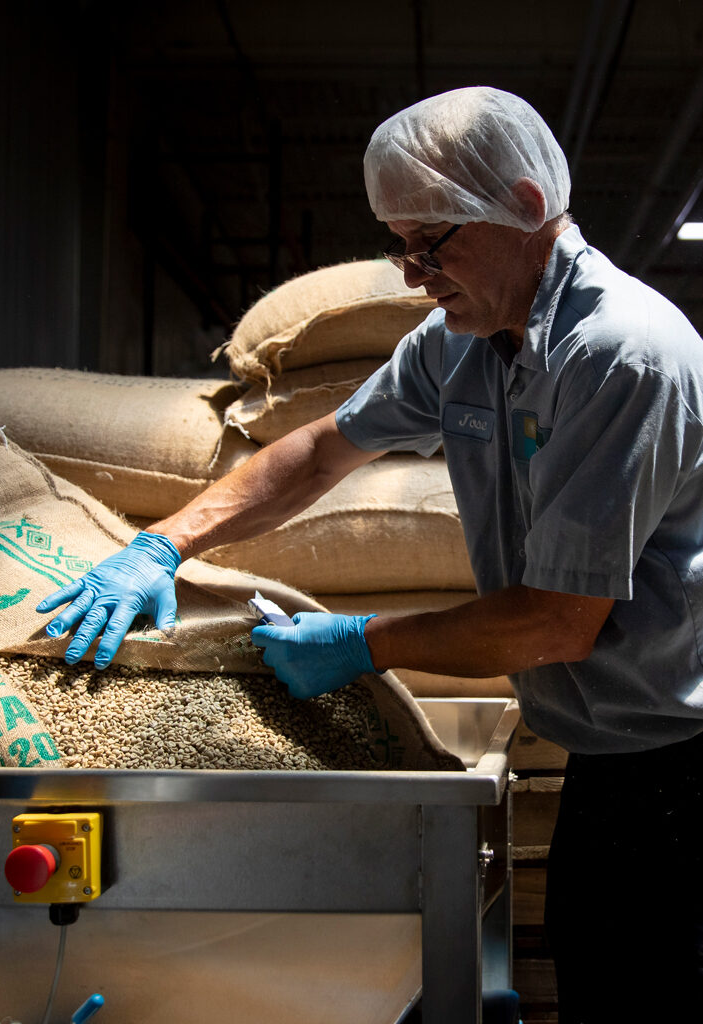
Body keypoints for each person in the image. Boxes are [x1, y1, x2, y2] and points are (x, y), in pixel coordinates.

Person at [37, 87, 703, 1021]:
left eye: (432, 243)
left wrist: (359, 641)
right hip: (610, 746)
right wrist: (158, 544)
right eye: (399, 246)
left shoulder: (621, 356)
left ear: (522, 205)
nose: (411, 275)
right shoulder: (462, 343)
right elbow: (319, 450)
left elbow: (555, 621)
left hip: (681, 765)